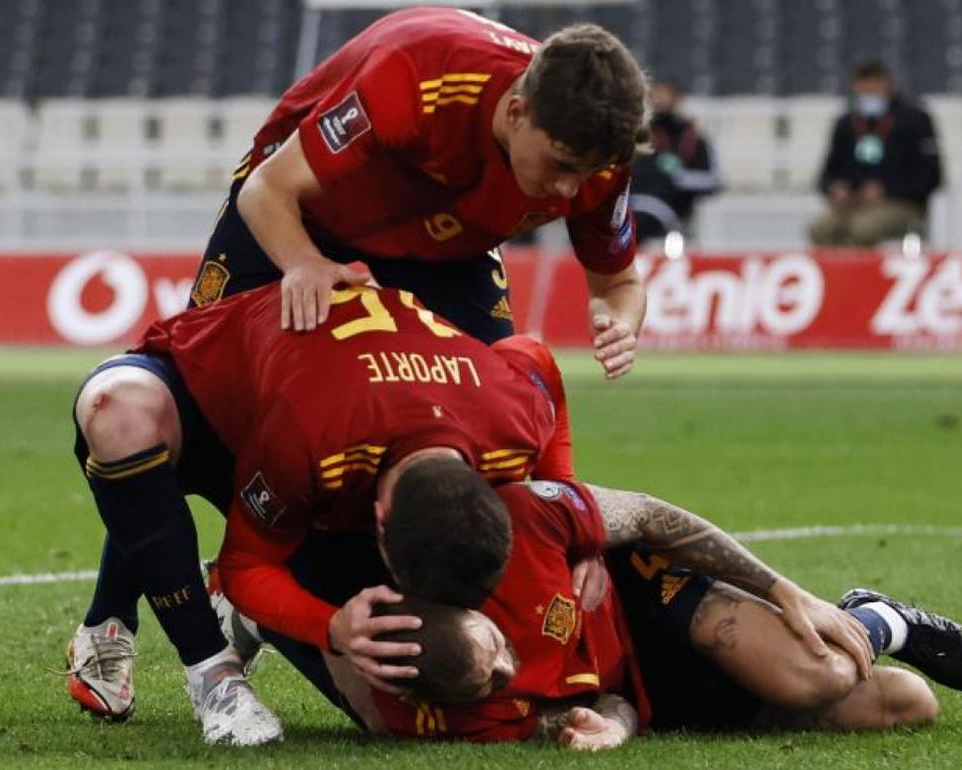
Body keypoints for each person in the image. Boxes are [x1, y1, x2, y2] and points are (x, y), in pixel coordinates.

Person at [63, 283, 577, 743]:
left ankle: (252, 621)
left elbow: (534, 357)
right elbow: (247, 564)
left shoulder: (512, 415)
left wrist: (567, 504)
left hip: (327, 440)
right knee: (118, 412)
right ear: (378, 521)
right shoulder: (314, 435)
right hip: (217, 407)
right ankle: (212, 672)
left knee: (389, 703)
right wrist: (331, 625)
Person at [252, 480, 962, 746]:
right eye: (499, 678)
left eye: (497, 646)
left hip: (639, 600)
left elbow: (644, 512)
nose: (516, 669)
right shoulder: (443, 712)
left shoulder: (502, 531)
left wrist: (782, 591)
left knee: (816, 676)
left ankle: (872, 619)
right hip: (649, 693)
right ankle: (877, 625)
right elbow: (593, 702)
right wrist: (615, 726)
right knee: (907, 702)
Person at [191, 7, 649, 379]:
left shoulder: (602, 160)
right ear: (516, 113)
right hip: (302, 212)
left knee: (497, 405)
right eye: (562, 165)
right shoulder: (415, 74)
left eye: (586, 173)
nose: (568, 189)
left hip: (449, 245)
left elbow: (619, 284)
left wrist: (620, 324)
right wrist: (303, 263)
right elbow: (266, 188)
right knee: (195, 380)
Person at [807, 59, 942, 247]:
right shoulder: (847, 123)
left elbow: (930, 177)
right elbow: (826, 175)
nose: (868, 97)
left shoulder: (915, 120)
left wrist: (887, 190)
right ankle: (837, 275)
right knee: (819, 228)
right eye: (863, 92)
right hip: (853, 203)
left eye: (874, 91)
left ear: (888, 86)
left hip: (901, 204)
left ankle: (862, 275)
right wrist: (836, 188)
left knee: (862, 229)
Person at [629, 79, 722, 243]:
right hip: (629, 210)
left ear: (677, 99)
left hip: (670, 216)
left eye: (665, 95)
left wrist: (678, 177)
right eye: (655, 95)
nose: (659, 100)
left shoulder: (695, 140)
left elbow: (712, 181)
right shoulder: (634, 137)